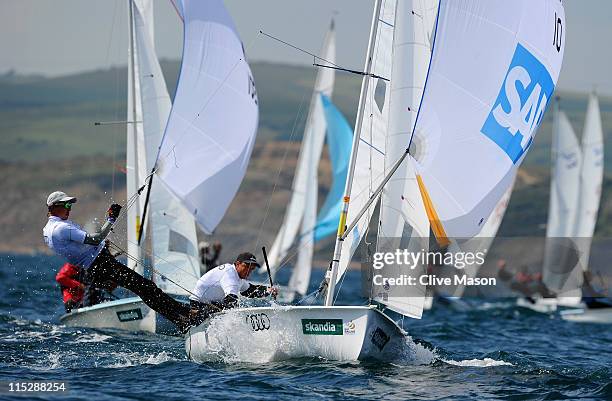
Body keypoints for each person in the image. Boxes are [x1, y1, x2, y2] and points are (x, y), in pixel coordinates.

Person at [43, 191, 191, 331]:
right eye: (66, 205)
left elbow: (83, 245)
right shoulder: (61, 228)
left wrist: (99, 244)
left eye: (70, 205)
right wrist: (111, 219)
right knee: (146, 287)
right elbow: (95, 239)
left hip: (96, 266)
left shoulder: (48, 230)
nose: (69, 209)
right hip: (101, 263)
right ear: (53, 207)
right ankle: (185, 316)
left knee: (144, 289)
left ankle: (181, 319)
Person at [189, 252, 278, 325]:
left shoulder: (238, 277)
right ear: (238, 264)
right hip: (198, 306)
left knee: (230, 306)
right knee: (231, 305)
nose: (249, 271)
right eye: (247, 267)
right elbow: (231, 299)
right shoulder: (229, 274)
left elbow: (249, 291)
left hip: (210, 304)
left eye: (252, 269)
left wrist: (267, 290)